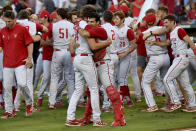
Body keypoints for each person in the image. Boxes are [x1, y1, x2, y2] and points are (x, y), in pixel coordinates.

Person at [143, 14, 196, 112]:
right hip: (178, 58)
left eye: (166, 22)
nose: (165, 24)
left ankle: (176, 102)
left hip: (181, 57)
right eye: (164, 22)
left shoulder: (179, 30)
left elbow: (190, 42)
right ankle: (193, 105)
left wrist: (195, 54)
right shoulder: (171, 32)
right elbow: (167, 43)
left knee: (167, 79)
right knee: (186, 84)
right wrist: (154, 43)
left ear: (172, 22)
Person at [0, 10, 33, 118]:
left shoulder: (22, 29)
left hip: (20, 62)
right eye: (6, 21)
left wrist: (29, 57)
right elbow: (1, 47)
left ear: (14, 19)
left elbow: (30, 43)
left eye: (9, 21)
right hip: (7, 63)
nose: (7, 23)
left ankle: (29, 103)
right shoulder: (2, 31)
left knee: (22, 84)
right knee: (6, 87)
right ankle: (9, 111)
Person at [137, 13, 170, 112]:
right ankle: (171, 101)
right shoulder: (162, 28)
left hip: (155, 58)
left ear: (146, 22)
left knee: (145, 82)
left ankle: (152, 105)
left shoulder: (144, 33)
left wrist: (138, 28)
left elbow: (137, 41)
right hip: (166, 56)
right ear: (155, 20)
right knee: (167, 81)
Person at [113, 11, 137, 107]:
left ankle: (120, 101)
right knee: (116, 79)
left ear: (122, 19)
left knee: (122, 79)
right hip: (115, 56)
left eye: (117, 18)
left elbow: (134, 45)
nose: (115, 20)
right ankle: (128, 99)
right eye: (114, 18)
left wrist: (124, 53)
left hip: (126, 56)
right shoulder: (113, 29)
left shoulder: (128, 30)